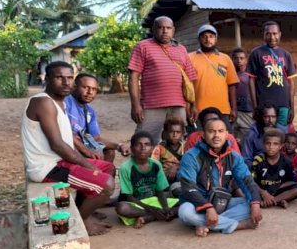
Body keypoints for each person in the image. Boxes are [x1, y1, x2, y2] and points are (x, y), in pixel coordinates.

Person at [21, 61, 115, 236]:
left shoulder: (59, 103)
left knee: (108, 168)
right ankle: (81, 221)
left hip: (59, 162)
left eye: (70, 78)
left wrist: (88, 158)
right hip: (47, 168)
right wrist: (88, 165)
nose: (66, 83)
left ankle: (84, 211)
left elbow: (66, 136)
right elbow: (57, 145)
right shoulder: (43, 102)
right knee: (106, 185)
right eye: (59, 78)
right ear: (46, 79)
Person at [177, 118, 263, 237]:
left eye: (221, 131)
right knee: (185, 213)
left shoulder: (233, 157)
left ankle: (205, 224)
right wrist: (208, 208)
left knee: (250, 205)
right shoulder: (191, 156)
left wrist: (255, 204)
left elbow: (247, 181)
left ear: (227, 134)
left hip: (222, 203)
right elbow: (188, 188)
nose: (216, 135)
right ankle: (235, 225)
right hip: (196, 204)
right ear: (203, 134)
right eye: (211, 131)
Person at [128, 16, 198, 144]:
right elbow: (133, 76)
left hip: (178, 105)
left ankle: (172, 165)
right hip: (151, 105)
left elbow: (190, 79)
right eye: (160, 27)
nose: (165, 31)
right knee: (144, 141)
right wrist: (135, 105)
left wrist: (193, 105)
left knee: (177, 142)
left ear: (173, 30)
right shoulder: (142, 46)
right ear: (154, 29)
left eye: (168, 28)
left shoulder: (181, 49)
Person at [115, 132, 180, 228]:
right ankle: (156, 215)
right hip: (136, 204)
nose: (143, 148)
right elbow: (129, 197)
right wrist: (152, 209)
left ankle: (150, 217)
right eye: (138, 145)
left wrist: (165, 207)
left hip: (154, 200)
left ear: (152, 148)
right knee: (121, 208)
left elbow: (160, 192)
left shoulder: (156, 165)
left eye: (147, 145)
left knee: (187, 200)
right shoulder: (126, 168)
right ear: (132, 149)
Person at [65, 73, 130, 164]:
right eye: (85, 87)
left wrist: (119, 146)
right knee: (93, 155)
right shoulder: (66, 102)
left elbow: (95, 138)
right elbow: (63, 133)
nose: (90, 92)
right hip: (67, 146)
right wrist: (88, 151)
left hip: (81, 145)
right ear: (74, 87)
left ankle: (101, 176)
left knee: (109, 152)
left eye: (94, 89)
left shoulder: (90, 111)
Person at [246, 21, 297, 126]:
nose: (272, 37)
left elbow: (291, 83)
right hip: (264, 105)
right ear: (264, 35)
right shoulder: (256, 53)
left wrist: (291, 107)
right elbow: (251, 81)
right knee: (265, 135)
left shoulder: (286, 54)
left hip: (283, 104)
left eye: (274, 33)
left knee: (281, 134)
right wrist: (255, 106)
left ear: (280, 34)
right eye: (268, 34)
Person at [188, 24, 239, 124]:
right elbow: (187, 86)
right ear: (199, 39)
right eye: (204, 37)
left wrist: (234, 109)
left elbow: (232, 85)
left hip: (223, 110)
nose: (208, 39)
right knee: (197, 138)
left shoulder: (225, 59)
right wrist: (189, 108)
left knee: (224, 138)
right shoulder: (189, 58)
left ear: (216, 39)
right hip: (197, 111)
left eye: (211, 36)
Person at [252, 129, 297, 208]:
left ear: (281, 146)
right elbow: (251, 181)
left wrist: (277, 187)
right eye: (268, 143)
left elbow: (293, 180)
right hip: (261, 190)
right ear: (264, 144)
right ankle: (277, 201)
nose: (271, 147)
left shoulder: (286, 161)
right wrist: (263, 192)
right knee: (239, 185)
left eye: (275, 144)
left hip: (277, 191)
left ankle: (268, 202)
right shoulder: (258, 159)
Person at [241, 103, 286, 168]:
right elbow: (246, 159)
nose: (270, 120)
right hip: (258, 169)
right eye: (267, 117)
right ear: (261, 117)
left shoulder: (282, 131)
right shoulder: (252, 134)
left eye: (273, 117)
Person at [151, 117, 185, 196]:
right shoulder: (159, 148)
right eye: (171, 132)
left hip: (182, 177)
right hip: (165, 179)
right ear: (165, 133)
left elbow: (191, 162)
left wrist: (176, 167)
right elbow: (154, 166)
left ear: (182, 133)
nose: (174, 135)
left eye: (178, 132)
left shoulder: (186, 146)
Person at [231, 47, 254, 143]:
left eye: (241, 58)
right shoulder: (230, 74)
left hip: (247, 111)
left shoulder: (250, 75)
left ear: (246, 59)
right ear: (232, 59)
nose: (238, 61)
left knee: (247, 139)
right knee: (233, 139)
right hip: (232, 111)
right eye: (236, 58)